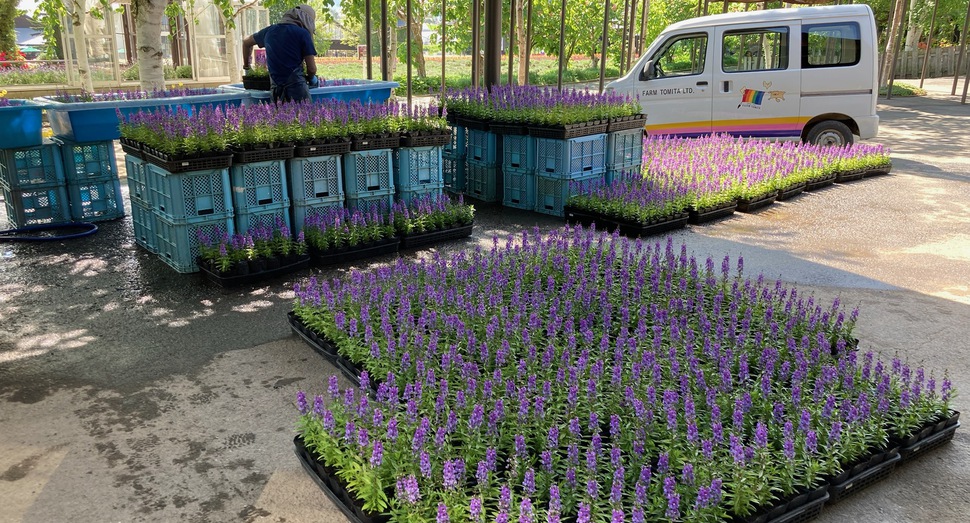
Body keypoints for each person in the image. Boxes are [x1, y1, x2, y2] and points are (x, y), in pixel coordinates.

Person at [242, 5, 318, 103]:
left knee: (280, 118)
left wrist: (247, 67)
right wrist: (312, 79)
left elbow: (246, 43)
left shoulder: (269, 31)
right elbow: (311, 69)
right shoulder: (303, 34)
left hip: (276, 89)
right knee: (304, 117)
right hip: (297, 90)